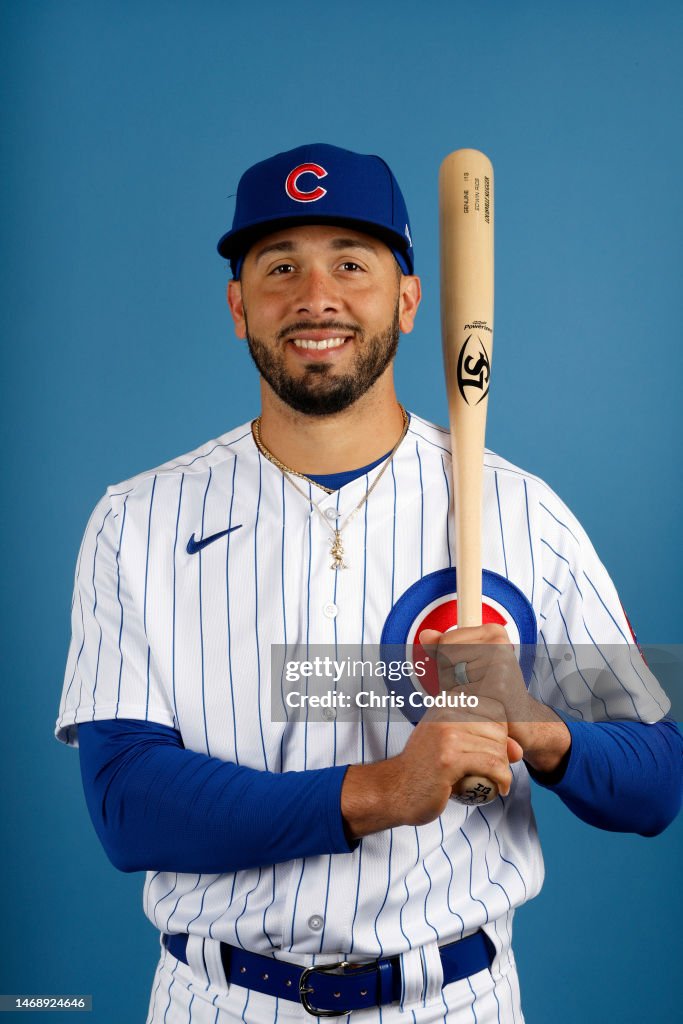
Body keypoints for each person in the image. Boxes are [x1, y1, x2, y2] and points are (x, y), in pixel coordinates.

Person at [56, 143, 681, 1024]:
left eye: (351, 263)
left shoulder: (521, 509)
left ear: (409, 299)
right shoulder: (139, 519)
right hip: (216, 1000)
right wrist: (384, 790)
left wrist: (536, 728)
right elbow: (127, 803)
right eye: (280, 268)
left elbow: (657, 781)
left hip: (453, 1002)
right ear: (239, 307)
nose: (317, 297)